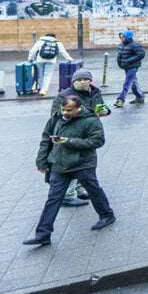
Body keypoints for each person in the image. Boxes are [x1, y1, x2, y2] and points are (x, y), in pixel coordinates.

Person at [23, 95, 116, 246]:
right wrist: (41, 160)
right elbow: (46, 139)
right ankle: (43, 234)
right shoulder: (56, 118)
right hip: (59, 164)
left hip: (82, 164)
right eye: (63, 109)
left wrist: (69, 141)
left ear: (79, 108)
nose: (65, 113)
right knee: (53, 199)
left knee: (93, 190)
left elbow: (97, 141)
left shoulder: (91, 120)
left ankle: (107, 214)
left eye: (69, 110)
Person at [50, 69, 110, 207]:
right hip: (71, 134)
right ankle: (67, 195)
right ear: (73, 82)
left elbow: (101, 107)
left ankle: (78, 189)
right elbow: (55, 115)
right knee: (72, 164)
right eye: (79, 80)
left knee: (84, 163)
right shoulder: (64, 96)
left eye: (86, 79)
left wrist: (105, 111)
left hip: (89, 133)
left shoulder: (95, 92)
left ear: (90, 81)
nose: (83, 82)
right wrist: (76, 114)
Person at [114, 30, 145, 108]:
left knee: (127, 83)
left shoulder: (135, 45)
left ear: (128, 37)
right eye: (121, 37)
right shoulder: (121, 45)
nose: (122, 38)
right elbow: (119, 55)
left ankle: (121, 99)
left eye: (123, 37)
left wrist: (128, 60)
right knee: (133, 82)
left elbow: (141, 54)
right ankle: (140, 96)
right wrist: (120, 64)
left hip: (132, 66)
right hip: (126, 66)